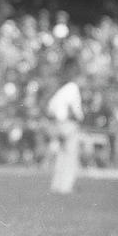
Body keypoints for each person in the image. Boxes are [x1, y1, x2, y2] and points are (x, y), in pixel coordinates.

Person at [46, 55, 84, 194]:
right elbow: (75, 108)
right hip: (68, 124)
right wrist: (79, 117)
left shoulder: (60, 89)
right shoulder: (72, 87)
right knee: (70, 156)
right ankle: (66, 187)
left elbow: (50, 107)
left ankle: (57, 185)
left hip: (57, 124)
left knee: (61, 156)